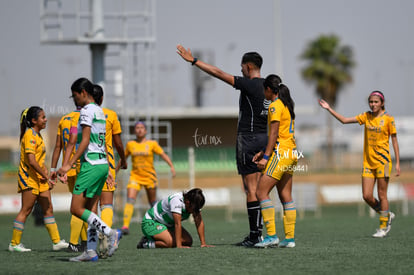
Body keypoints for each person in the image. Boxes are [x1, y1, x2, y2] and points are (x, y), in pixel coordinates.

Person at [177, 44, 273, 246]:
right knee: (262, 190)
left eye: (241, 67)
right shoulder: (269, 88)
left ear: (248, 67)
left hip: (247, 139)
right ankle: (265, 234)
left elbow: (218, 73)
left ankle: (255, 236)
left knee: (251, 190)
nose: (240, 71)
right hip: (265, 139)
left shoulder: (248, 84)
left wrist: (194, 61)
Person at [319, 90, 400, 238]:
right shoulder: (366, 116)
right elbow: (344, 120)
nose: (373, 104)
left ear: (382, 103)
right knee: (367, 196)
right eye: (371, 102)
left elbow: (394, 140)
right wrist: (329, 108)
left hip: (383, 162)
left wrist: (398, 163)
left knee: (382, 195)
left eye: (376, 102)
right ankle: (386, 214)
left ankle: (383, 227)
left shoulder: (389, 119)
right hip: (368, 163)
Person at [57, 77, 122, 262]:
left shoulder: (86, 111)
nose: (74, 99)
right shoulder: (100, 111)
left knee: (76, 209)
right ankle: (91, 251)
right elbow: (76, 139)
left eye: (75, 96)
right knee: (91, 211)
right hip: (102, 164)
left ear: (84, 93)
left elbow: (84, 140)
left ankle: (111, 233)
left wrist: (68, 164)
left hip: (90, 165)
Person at [9, 106, 69, 252]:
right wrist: (46, 176)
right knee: (26, 209)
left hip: (40, 179)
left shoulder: (38, 135)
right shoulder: (30, 135)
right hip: (29, 178)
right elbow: (32, 161)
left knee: (48, 208)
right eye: (43, 117)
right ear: (34, 121)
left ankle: (56, 242)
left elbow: (39, 161)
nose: (46, 119)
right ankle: (14, 244)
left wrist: (48, 175)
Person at [253, 75, 298, 248]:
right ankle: (290, 238)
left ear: (269, 90)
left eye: (264, 89)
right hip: (291, 153)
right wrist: (263, 152)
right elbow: (280, 135)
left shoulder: (274, 106)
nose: (264, 92)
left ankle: (271, 236)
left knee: (261, 192)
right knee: (285, 196)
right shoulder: (287, 105)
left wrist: (266, 158)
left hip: (281, 154)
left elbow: (273, 134)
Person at [120, 121, 176, 235]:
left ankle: (161, 222)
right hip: (135, 177)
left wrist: (171, 166)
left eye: (141, 128)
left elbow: (163, 154)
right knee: (130, 199)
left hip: (149, 177)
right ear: (134, 131)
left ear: (145, 131)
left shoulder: (152, 144)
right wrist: (114, 171)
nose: (139, 130)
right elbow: (123, 159)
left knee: (152, 202)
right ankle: (125, 226)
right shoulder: (130, 144)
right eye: (137, 128)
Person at [92, 84, 127, 258]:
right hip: (107, 165)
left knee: (87, 207)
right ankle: (106, 233)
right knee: (106, 204)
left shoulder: (80, 116)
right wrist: (124, 159)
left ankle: (86, 245)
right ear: (102, 98)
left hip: (87, 165)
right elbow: (118, 143)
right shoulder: (111, 115)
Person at [50, 104, 88, 252]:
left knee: (79, 204)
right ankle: (73, 243)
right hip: (81, 166)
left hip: (68, 167)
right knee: (81, 206)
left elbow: (58, 146)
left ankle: (84, 242)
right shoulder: (86, 117)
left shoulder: (64, 119)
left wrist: (56, 168)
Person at [136, 188, 214, 248]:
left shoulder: (194, 203)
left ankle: (160, 237)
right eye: (194, 210)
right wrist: (179, 246)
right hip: (152, 222)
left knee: (188, 241)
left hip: (168, 224)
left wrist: (203, 243)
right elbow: (177, 224)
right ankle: (145, 243)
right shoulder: (176, 201)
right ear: (187, 202)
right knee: (169, 242)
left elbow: (199, 221)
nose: (195, 212)